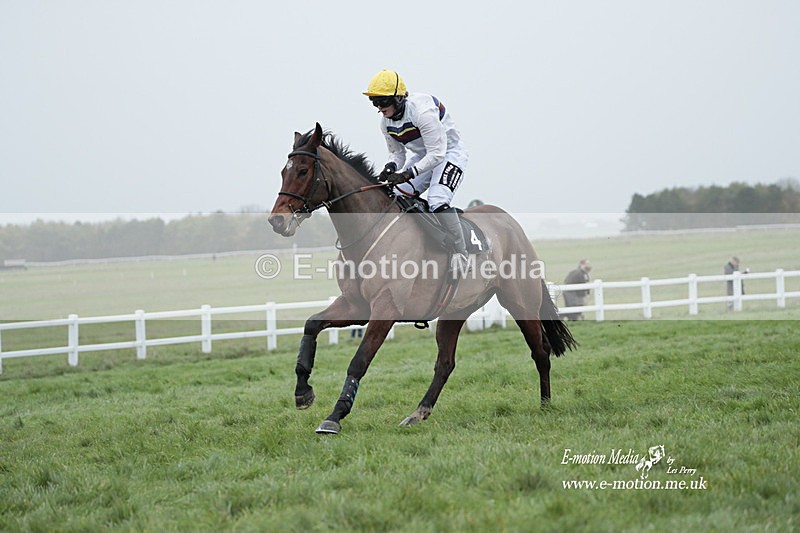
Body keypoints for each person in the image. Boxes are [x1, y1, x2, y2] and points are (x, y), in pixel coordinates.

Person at [363, 69, 470, 275]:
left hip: (449, 154)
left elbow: (437, 155)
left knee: (437, 199)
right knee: (396, 195)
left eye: (382, 102)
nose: (378, 108)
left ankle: (460, 252)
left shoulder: (423, 113)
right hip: (423, 157)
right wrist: (391, 168)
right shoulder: (386, 122)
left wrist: (409, 173)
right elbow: (397, 154)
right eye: (375, 103)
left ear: (398, 98)